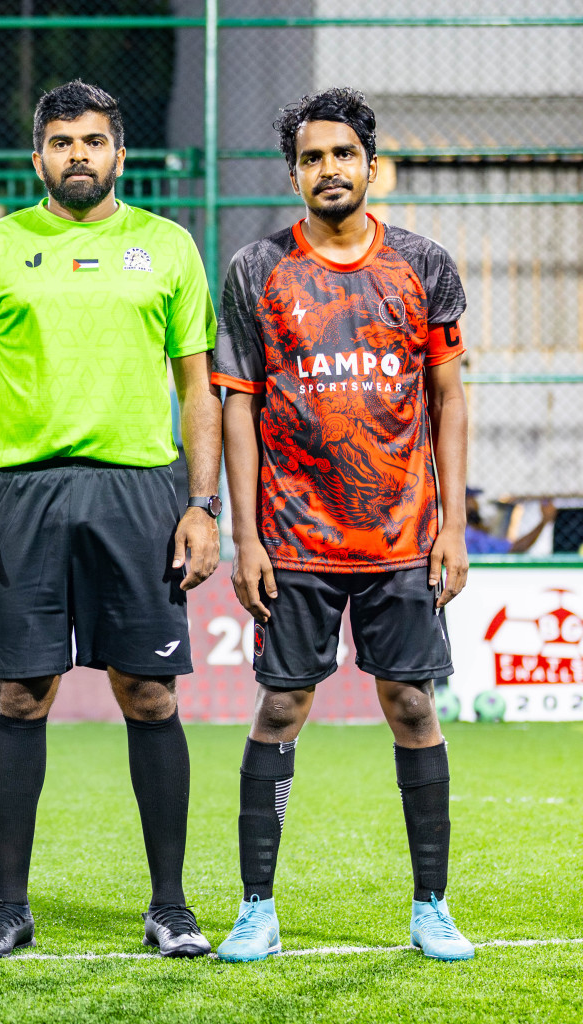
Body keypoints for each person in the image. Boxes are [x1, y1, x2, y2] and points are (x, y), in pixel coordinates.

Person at [0, 80, 222, 958]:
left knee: (150, 692)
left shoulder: (168, 247)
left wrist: (202, 506)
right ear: (38, 159)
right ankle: (8, 907)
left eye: (93, 141)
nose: (78, 156)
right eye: (61, 143)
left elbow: (197, 387)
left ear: (119, 153)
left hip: (140, 492)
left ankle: (169, 905)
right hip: (20, 495)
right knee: (21, 695)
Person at [211, 88, 475, 962]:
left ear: (371, 164)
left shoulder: (422, 265)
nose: (329, 169)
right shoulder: (257, 271)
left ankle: (431, 905)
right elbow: (239, 409)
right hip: (294, 539)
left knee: (410, 704)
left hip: (402, 535)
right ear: (294, 173)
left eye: (343, 154)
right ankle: (257, 907)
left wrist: (454, 524)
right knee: (282, 704)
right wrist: (245, 537)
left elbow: (446, 398)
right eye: (312, 157)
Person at [465, 487, 555, 555]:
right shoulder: (470, 535)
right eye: (471, 499)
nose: (475, 504)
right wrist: (544, 522)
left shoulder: (466, 532)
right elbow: (515, 548)